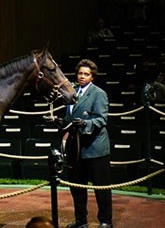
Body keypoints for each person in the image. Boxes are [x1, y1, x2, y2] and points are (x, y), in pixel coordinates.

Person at [64, 59, 113, 228]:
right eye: (80, 73)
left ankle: (106, 221)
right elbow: (69, 117)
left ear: (92, 77)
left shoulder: (99, 93)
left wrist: (86, 124)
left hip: (95, 148)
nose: (82, 77)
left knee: (101, 188)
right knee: (77, 187)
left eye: (86, 74)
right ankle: (81, 220)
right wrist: (62, 123)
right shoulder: (72, 92)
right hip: (76, 149)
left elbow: (101, 119)